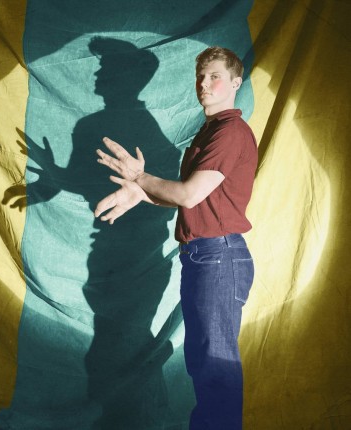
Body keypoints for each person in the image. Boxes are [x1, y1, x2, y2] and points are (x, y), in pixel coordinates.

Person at [94, 46, 258, 429]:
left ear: (236, 82)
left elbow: (188, 195)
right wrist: (141, 192)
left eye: (214, 76)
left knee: (215, 369)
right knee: (204, 366)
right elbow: (192, 198)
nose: (204, 83)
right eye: (200, 76)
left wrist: (140, 178)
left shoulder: (230, 132)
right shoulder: (212, 131)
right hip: (204, 256)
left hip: (218, 257)